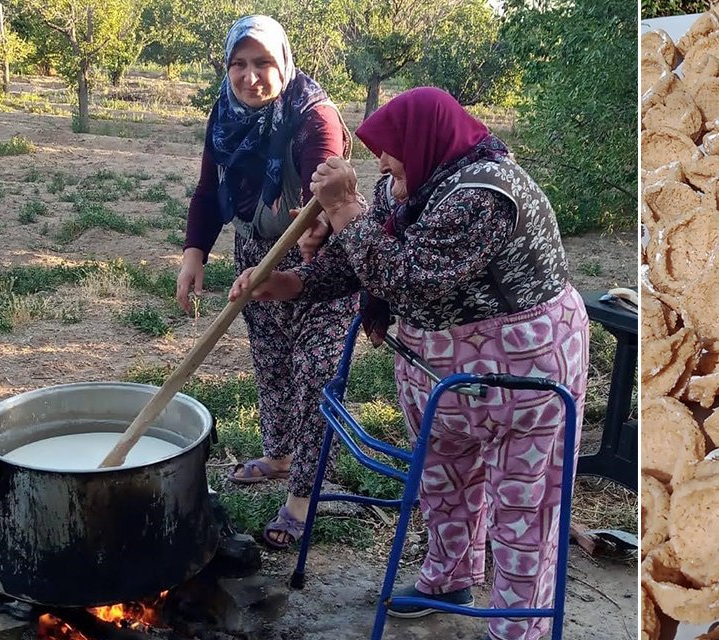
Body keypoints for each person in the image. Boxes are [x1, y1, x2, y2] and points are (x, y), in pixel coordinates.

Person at [229, 87, 589, 640]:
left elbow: (408, 276)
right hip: (442, 373)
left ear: (424, 140)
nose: (381, 164)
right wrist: (291, 283)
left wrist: (344, 210)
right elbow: (363, 258)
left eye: (390, 151)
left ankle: (518, 625)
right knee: (444, 480)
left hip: (524, 377)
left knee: (524, 505)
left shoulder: (487, 195)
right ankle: (448, 580)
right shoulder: (407, 184)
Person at [176, 15, 357, 550]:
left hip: (321, 257)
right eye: (238, 63)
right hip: (255, 249)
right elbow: (208, 191)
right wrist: (193, 256)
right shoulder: (225, 115)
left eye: (262, 63)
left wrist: (317, 227)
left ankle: (304, 494)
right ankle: (279, 455)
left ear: (284, 63)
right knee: (271, 357)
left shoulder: (314, 118)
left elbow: (326, 192)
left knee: (316, 372)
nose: (249, 76)